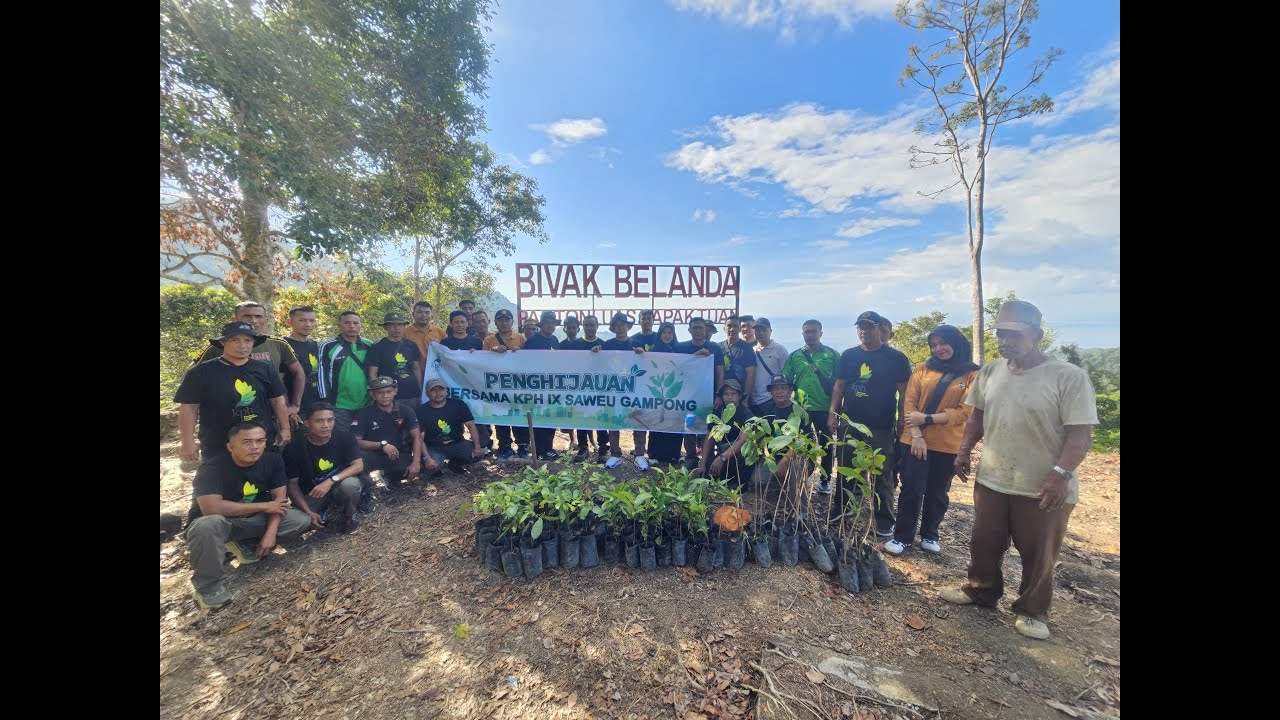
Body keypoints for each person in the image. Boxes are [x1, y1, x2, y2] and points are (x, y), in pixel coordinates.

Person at [937, 301, 1097, 641]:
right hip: (993, 477)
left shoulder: (1068, 377)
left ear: (1036, 335)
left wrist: (1060, 474)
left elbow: (1080, 436)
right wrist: (964, 451)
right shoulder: (991, 371)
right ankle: (981, 590)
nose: (1004, 341)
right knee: (985, 540)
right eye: (1000, 335)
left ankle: (1032, 609)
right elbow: (977, 416)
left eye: (1013, 335)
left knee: (1038, 550)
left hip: (1041, 483)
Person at [186, 422, 311, 610]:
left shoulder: (272, 460)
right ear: (230, 446)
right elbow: (211, 508)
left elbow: (279, 501)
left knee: (300, 521)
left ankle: (246, 542)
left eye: (260, 441)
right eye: (246, 442)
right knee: (206, 525)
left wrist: (270, 533)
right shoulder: (211, 468)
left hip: (255, 519)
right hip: (221, 522)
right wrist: (265, 505)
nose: (255, 447)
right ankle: (208, 587)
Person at [883, 325, 980, 557]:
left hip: (948, 444)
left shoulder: (972, 375)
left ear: (956, 344)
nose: (938, 349)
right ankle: (902, 537)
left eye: (943, 343)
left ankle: (930, 534)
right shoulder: (922, 370)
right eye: (934, 345)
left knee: (938, 491)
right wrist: (916, 434)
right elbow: (909, 403)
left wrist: (926, 418)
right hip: (914, 440)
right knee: (911, 489)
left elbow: (964, 412)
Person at [827, 311, 911, 537]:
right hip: (850, 422)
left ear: (880, 329)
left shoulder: (896, 358)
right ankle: (841, 508)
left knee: (881, 473)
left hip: (881, 425)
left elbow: (904, 393)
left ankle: (884, 519)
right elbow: (839, 386)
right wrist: (833, 413)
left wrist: (902, 421)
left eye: (869, 327)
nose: (864, 331)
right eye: (860, 327)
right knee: (846, 467)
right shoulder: (849, 356)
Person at [176, 321, 291, 466]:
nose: (242, 345)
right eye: (235, 340)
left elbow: (277, 401)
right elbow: (189, 408)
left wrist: (285, 429)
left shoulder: (265, 369)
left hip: (260, 441)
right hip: (219, 443)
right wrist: (187, 441)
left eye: (247, 340)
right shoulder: (201, 372)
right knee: (220, 485)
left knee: (264, 482)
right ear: (223, 342)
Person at [191, 301, 306, 422]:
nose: (253, 321)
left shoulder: (278, 344)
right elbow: (192, 375)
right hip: (226, 415)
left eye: (258, 316)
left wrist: (294, 406)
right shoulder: (218, 345)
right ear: (235, 319)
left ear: (266, 320)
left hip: (270, 413)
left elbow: (298, 373)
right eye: (247, 316)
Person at [283, 403, 365, 534]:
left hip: (339, 484)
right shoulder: (294, 449)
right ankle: (324, 508)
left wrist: (330, 481)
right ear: (307, 423)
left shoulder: (345, 437)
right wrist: (308, 511)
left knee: (350, 485)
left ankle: (350, 514)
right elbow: (292, 485)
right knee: (303, 523)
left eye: (330, 420)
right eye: (319, 421)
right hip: (314, 493)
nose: (326, 425)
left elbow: (358, 465)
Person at [782, 319, 841, 492]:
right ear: (802, 334)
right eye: (807, 331)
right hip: (801, 409)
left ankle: (825, 479)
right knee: (801, 445)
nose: (810, 334)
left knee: (826, 445)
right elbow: (787, 380)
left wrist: (835, 411)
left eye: (814, 331)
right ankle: (801, 477)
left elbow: (839, 384)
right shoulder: (794, 356)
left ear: (821, 333)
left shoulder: (833, 355)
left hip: (825, 408)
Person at [352, 376, 423, 493]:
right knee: (357, 459)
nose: (385, 396)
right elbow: (355, 441)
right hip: (373, 454)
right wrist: (381, 445)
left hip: (398, 453)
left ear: (395, 391)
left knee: (409, 470)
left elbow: (417, 436)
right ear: (372, 394)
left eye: (389, 391)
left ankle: (390, 476)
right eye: (380, 392)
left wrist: (416, 463)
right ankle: (366, 486)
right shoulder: (363, 413)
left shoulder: (406, 410)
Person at [674, 317, 724, 469]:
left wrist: (719, 394)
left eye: (700, 328)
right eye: (694, 328)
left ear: (705, 330)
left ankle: (706, 457)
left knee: (707, 426)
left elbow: (720, 372)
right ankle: (691, 457)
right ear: (689, 330)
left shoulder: (715, 348)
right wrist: (696, 356)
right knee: (688, 425)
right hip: (687, 394)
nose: (697, 330)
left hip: (708, 394)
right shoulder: (681, 347)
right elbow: (676, 367)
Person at [599, 312, 646, 470]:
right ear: (613, 328)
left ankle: (639, 454)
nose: (620, 327)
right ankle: (615, 454)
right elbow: (599, 363)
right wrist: (595, 352)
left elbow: (645, 365)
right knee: (613, 421)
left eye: (623, 324)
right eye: (616, 325)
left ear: (628, 326)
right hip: (614, 389)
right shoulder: (607, 345)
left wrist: (642, 354)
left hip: (634, 390)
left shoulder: (636, 343)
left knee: (638, 421)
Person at [483, 309, 530, 459]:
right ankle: (505, 447)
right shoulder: (489, 340)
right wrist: (492, 351)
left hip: (517, 385)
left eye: (507, 319)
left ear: (512, 322)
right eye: (500, 320)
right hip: (498, 386)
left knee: (519, 416)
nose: (504, 322)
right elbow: (481, 361)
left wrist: (520, 353)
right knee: (500, 416)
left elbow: (530, 359)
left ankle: (522, 447)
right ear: (495, 322)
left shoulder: (521, 338)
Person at [317, 311, 375, 430]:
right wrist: (325, 400)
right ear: (339, 325)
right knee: (341, 439)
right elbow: (321, 374)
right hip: (339, 405)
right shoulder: (327, 346)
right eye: (347, 323)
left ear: (360, 325)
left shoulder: (369, 345)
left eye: (355, 323)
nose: (352, 326)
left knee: (364, 438)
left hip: (366, 403)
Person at [417, 378, 485, 477]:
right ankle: (435, 470)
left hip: (457, 443)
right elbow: (419, 438)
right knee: (432, 467)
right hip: (434, 447)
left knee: (479, 454)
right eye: (433, 390)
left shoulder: (458, 404)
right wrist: (427, 458)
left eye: (441, 389)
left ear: (446, 391)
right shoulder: (421, 411)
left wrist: (477, 447)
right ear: (427, 393)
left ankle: (455, 464)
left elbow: (470, 425)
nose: (438, 393)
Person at [696, 380, 755, 487]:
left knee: (743, 454)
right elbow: (709, 439)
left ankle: (741, 484)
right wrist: (703, 464)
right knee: (708, 477)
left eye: (733, 394)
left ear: (740, 396)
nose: (729, 397)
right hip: (722, 453)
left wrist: (722, 458)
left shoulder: (746, 414)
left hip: (738, 456)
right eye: (726, 394)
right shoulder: (718, 413)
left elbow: (743, 440)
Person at [566, 315, 609, 461]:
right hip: (580, 388)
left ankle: (603, 448)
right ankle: (583, 448)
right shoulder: (575, 345)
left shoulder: (604, 345)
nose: (589, 328)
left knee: (600, 418)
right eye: (587, 325)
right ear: (582, 327)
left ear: (597, 326)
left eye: (592, 325)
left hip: (599, 389)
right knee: (581, 418)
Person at [522, 311, 563, 461]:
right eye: (547, 322)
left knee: (551, 417)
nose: (550, 325)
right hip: (537, 387)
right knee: (539, 418)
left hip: (552, 387)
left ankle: (549, 448)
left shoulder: (555, 340)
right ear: (541, 324)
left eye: (553, 322)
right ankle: (539, 450)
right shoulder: (533, 341)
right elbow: (526, 363)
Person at [366, 312, 423, 416]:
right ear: (385, 327)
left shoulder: (411, 345)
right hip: (389, 397)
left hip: (412, 394)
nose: (396, 328)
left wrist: (421, 391)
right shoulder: (377, 348)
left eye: (400, 325)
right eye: (392, 325)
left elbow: (416, 368)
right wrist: (377, 395)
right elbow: (372, 374)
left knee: (413, 426)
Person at [282, 306, 321, 427]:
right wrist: (289, 408)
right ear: (290, 322)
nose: (308, 324)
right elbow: (279, 380)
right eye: (302, 320)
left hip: (314, 404)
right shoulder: (283, 345)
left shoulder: (314, 344)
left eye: (312, 320)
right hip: (294, 409)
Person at [748, 318, 788, 416]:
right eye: (757, 330)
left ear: (770, 331)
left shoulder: (779, 349)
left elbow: (786, 376)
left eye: (764, 330)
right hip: (752, 401)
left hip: (771, 400)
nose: (760, 333)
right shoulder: (751, 351)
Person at [720, 315, 757, 410]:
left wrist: (746, 398)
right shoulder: (718, 347)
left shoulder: (746, 348)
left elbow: (751, 375)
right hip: (721, 398)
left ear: (739, 329)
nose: (732, 329)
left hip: (739, 399)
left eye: (736, 326)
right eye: (729, 326)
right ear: (724, 328)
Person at [404, 301, 447, 365]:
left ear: (431, 315)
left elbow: (448, 353)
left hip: (436, 372)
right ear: (413, 314)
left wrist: (438, 347)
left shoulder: (440, 332)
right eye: (420, 312)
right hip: (413, 372)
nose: (424, 315)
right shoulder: (404, 333)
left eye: (427, 313)